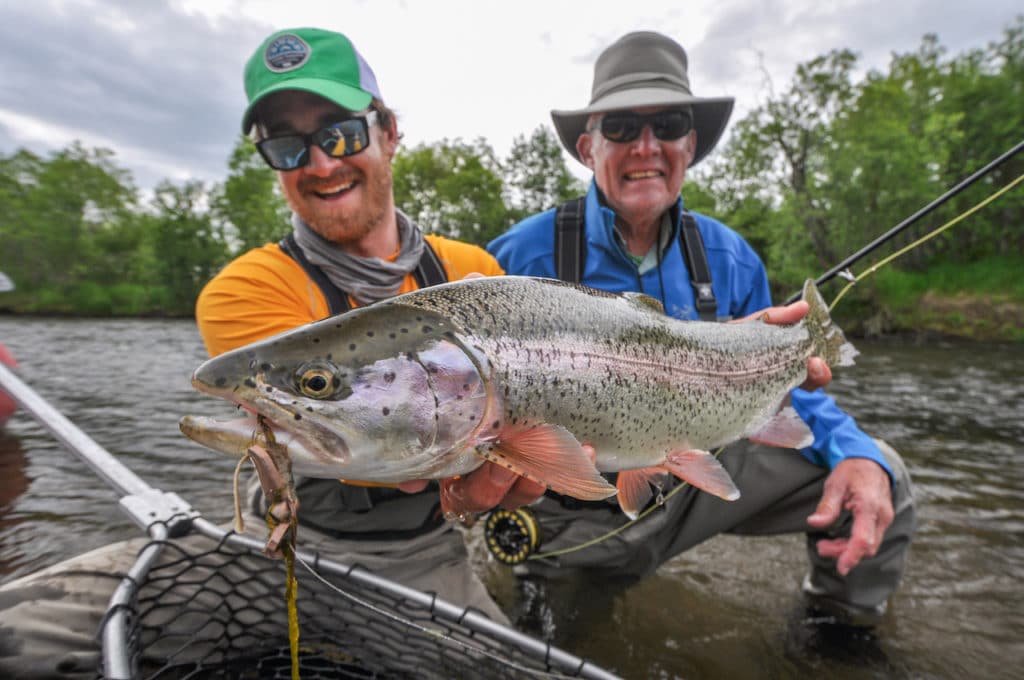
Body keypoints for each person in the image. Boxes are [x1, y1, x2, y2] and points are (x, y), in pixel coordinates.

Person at [485, 31, 915, 628]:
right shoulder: (514, 259)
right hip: (572, 505)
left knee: (882, 475)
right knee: (544, 638)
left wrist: (856, 451)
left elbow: (778, 389)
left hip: (697, 482)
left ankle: (836, 640)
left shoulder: (731, 258)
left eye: (667, 125)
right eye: (621, 129)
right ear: (588, 148)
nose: (646, 147)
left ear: (689, 144)